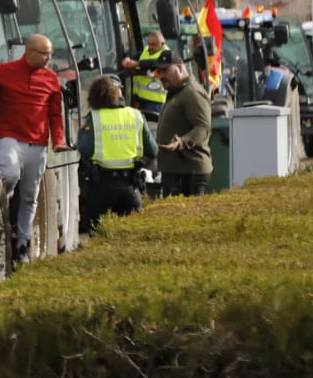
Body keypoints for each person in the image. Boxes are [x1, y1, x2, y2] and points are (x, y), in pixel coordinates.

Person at [0, 33, 66, 260]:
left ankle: (22, 243)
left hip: (38, 144)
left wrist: (58, 141)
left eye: (50, 53)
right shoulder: (4, 72)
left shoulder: (52, 80)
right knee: (7, 173)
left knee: (31, 195)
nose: (49, 58)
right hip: (10, 138)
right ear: (29, 52)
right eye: (44, 53)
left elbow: (55, 115)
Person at [77, 75, 157, 231]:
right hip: (130, 186)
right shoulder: (136, 115)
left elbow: (85, 149)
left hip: (101, 186)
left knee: (99, 234)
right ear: (119, 91)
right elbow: (153, 150)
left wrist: (82, 132)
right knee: (132, 236)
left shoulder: (94, 117)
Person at [154, 54, 213, 196]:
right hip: (176, 171)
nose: (161, 76)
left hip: (189, 172)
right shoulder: (177, 92)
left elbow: (203, 128)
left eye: (165, 70)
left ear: (180, 68)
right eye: (159, 72)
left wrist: (181, 142)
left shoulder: (192, 93)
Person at [119, 30, 170, 116]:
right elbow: (136, 54)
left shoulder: (167, 55)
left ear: (162, 44)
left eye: (154, 44)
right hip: (138, 99)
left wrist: (137, 64)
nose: (150, 47)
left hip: (155, 102)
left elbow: (153, 64)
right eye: (149, 43)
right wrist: (128, 58)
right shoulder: (147, 50)